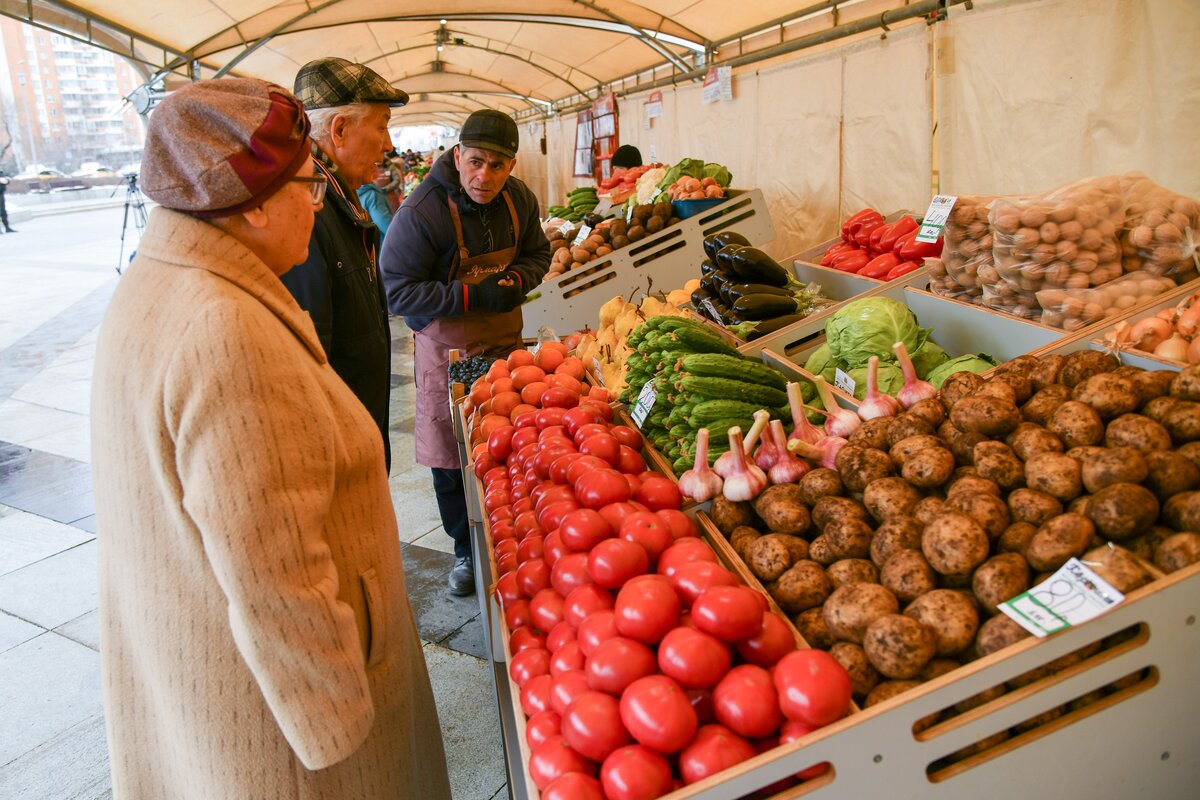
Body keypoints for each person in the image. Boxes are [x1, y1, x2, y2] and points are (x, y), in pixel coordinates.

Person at [90, 77, 451, 800]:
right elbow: (276, 576)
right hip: (288, 740)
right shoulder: (224, 330)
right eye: (307, 189)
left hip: (197, 660)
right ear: (253, 205)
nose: (316, 206)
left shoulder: (158, 281)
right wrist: (343, 731)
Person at [382, 109, 550, 595]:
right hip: (446, 354)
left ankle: (515, 535)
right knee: (450, 456)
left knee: (510, 443)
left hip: (505, 347)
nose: (485, 176)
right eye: (476, 162)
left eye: (498, 166)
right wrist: (474, 296)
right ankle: (463, 550)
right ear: (457, 156)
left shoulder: (519, 199)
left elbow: (538, 253)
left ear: (512, 167)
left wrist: (518, 279)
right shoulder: (422, 211)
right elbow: (397, 291)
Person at [282, 57, 406, 469]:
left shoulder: (340, 194)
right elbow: (307, 367)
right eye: (382, 124)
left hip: (357, 440)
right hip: (336, 459)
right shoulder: (308, 208)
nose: (388, 144)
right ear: (339, 129)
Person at [358, 164, 396, 236]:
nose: (377, 169)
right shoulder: (373, 195)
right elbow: (386, 225)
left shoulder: (356, 191)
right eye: (373, 165)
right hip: (383, 242)